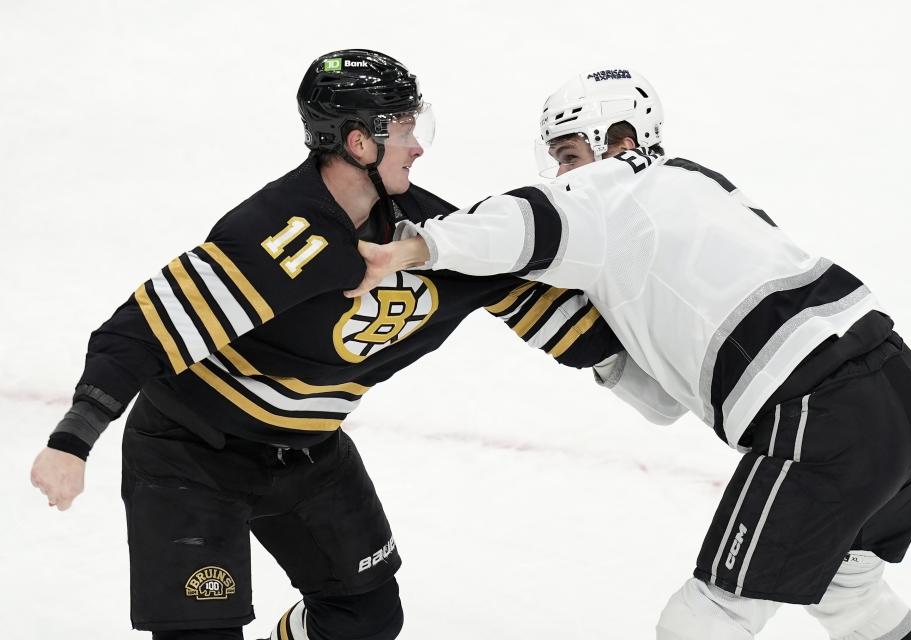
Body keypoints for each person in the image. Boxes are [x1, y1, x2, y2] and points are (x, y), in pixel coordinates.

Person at [29, 51, 620, 640]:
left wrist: (657, 350)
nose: (418, 148)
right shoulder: (275, 233)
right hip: (191, 456)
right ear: (360, 143)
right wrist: (71, 442)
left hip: (309, 452)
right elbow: (140, 329)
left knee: (366, 620)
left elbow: (548, 310)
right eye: (407, 130)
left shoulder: (428, 235)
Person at [347, 68, 911, 640]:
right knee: (848, 590)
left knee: (704, 620)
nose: (562, 174)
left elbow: (518, 224)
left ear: (621, 140)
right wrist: (596, 351)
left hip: (822, 417)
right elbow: (665, 401)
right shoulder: (700, 184)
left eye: (570, 154)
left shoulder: (607, 190)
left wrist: (409, 249)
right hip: (905, 393)